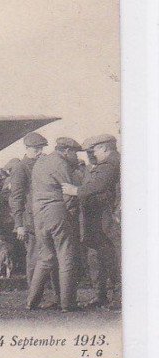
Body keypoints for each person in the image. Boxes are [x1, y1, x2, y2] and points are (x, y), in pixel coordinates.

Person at [62, 134, 121, 309]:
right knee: (97, 256)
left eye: (93, 150)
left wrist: (76, 191)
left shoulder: (110, 163)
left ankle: (117, 297)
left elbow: (99, 186)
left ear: (103, 148)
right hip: (96, 219)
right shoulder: (102, 165)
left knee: (114, 256)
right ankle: (101, 295)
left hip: (106, 217)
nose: (92, 155)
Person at [26, 137, 83, 312]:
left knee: (46, 257)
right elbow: (69, 193)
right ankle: (67, 304)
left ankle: (31, 302)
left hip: (39, 214)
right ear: (66, 151)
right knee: (65, 256)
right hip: (56, 211)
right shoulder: (60, 164)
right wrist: (72, 215)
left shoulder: (40, 162)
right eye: (74, 153)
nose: (75, 156)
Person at [8, 131, 48, 284]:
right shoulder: (20, 167)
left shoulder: (42, 164)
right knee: (33, 255)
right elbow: (16, 198)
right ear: (27, 148)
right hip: (30, 219)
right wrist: (19, 224)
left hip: (43, 216)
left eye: (41, 149)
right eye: (35, 149)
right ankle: (34, 292)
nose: (39, 153)